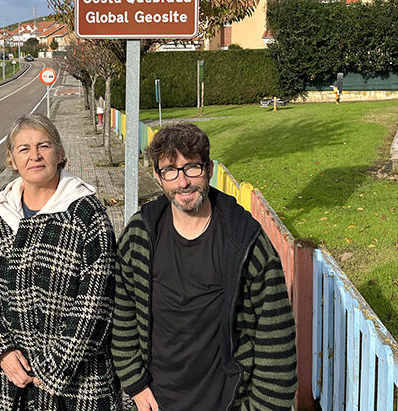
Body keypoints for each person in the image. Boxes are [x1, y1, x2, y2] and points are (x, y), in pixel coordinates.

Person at [111, 123, 296, 411]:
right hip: (158, 402)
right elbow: (122, 313)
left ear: (209, 169)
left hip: (229, 402)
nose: (182, 182)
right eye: (170, 170)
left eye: (192, 168)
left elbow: (277, 338)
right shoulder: (140, 235)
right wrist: (134, 382)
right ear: (159, 177)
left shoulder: (245, 241)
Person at [0, 114, 122, 411]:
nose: (35, 156)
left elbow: (97, 302)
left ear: (61, 153)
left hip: (79, 384)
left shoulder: (87, 214)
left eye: (44, 145)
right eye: (24, 149)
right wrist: (0, 348)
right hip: (9, 379)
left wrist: (52, 366)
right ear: (12, 160)